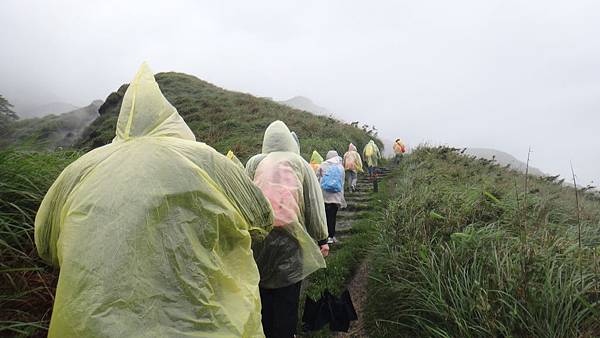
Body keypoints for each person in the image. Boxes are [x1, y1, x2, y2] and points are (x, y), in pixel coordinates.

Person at [34, 63, 274, 338]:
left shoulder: (79, 171)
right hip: (206, 321)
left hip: (92, 324)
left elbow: (45, 244)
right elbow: (262, 221)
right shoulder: (208, 161)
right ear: (170, 118)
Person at [246, 120, 329, 338]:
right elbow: (313, 203)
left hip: (259, 240)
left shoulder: (255, 162)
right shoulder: (299, 163)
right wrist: (322, 239)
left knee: (262, 294)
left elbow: (244, 198)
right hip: (292, 241)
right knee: (287, 297)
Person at [318, 150, 347, 244]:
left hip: (324, 195)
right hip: (335, 196)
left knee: (324, 216)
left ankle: (324, 237)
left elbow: (316, 177)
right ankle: (331, 236)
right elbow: (342, 183)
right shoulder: (340, 167)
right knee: (332, 216)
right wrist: (342, 198)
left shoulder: (322, 165)